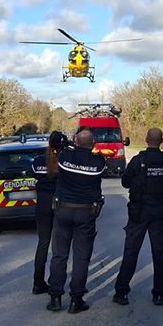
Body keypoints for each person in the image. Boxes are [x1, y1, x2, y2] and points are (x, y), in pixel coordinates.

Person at [46, 129, 106, 314]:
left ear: (76, 141)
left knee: (59, 255)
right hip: (85, 213)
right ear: (93, 143)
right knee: (81, 257)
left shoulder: (65, 157)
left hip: (63, 210)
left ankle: (55, 297)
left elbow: (55, 158)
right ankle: (76, 299)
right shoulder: (98, 162)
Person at [113, 127, 163, 306]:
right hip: (159, 212)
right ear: (161, 141)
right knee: (159, 253)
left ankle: (121, 292)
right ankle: (159, 293)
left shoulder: (138, 160)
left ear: (146, 140)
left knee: (131, 252)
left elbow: (125, 182)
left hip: (138, 212)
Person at [30, 131, 68, 295]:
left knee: (43, 243)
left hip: (42, 204)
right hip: (60, 204)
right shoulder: (65, 161)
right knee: (59, 246)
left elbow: (33, 173)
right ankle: (55, 281)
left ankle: (38, 283)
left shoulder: (38, 161)